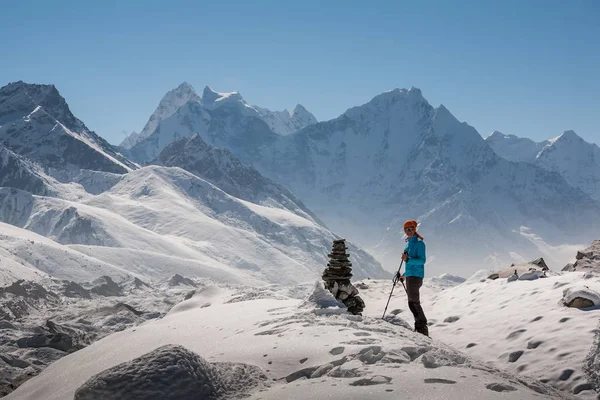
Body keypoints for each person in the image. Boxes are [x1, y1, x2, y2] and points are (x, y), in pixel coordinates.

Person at [394, 220, 429, 336]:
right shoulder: (408, 244)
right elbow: (409, 264)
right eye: (406, 229)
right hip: (410, 276)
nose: (408, 231)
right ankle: (419, 327)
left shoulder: (420, 244)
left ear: (415, 229)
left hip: (416, 276)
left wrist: (408, 259)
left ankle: (421, 328)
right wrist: (404, 275)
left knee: (413, 302)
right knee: (412, 302)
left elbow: (422, 260)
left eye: (411, 228)